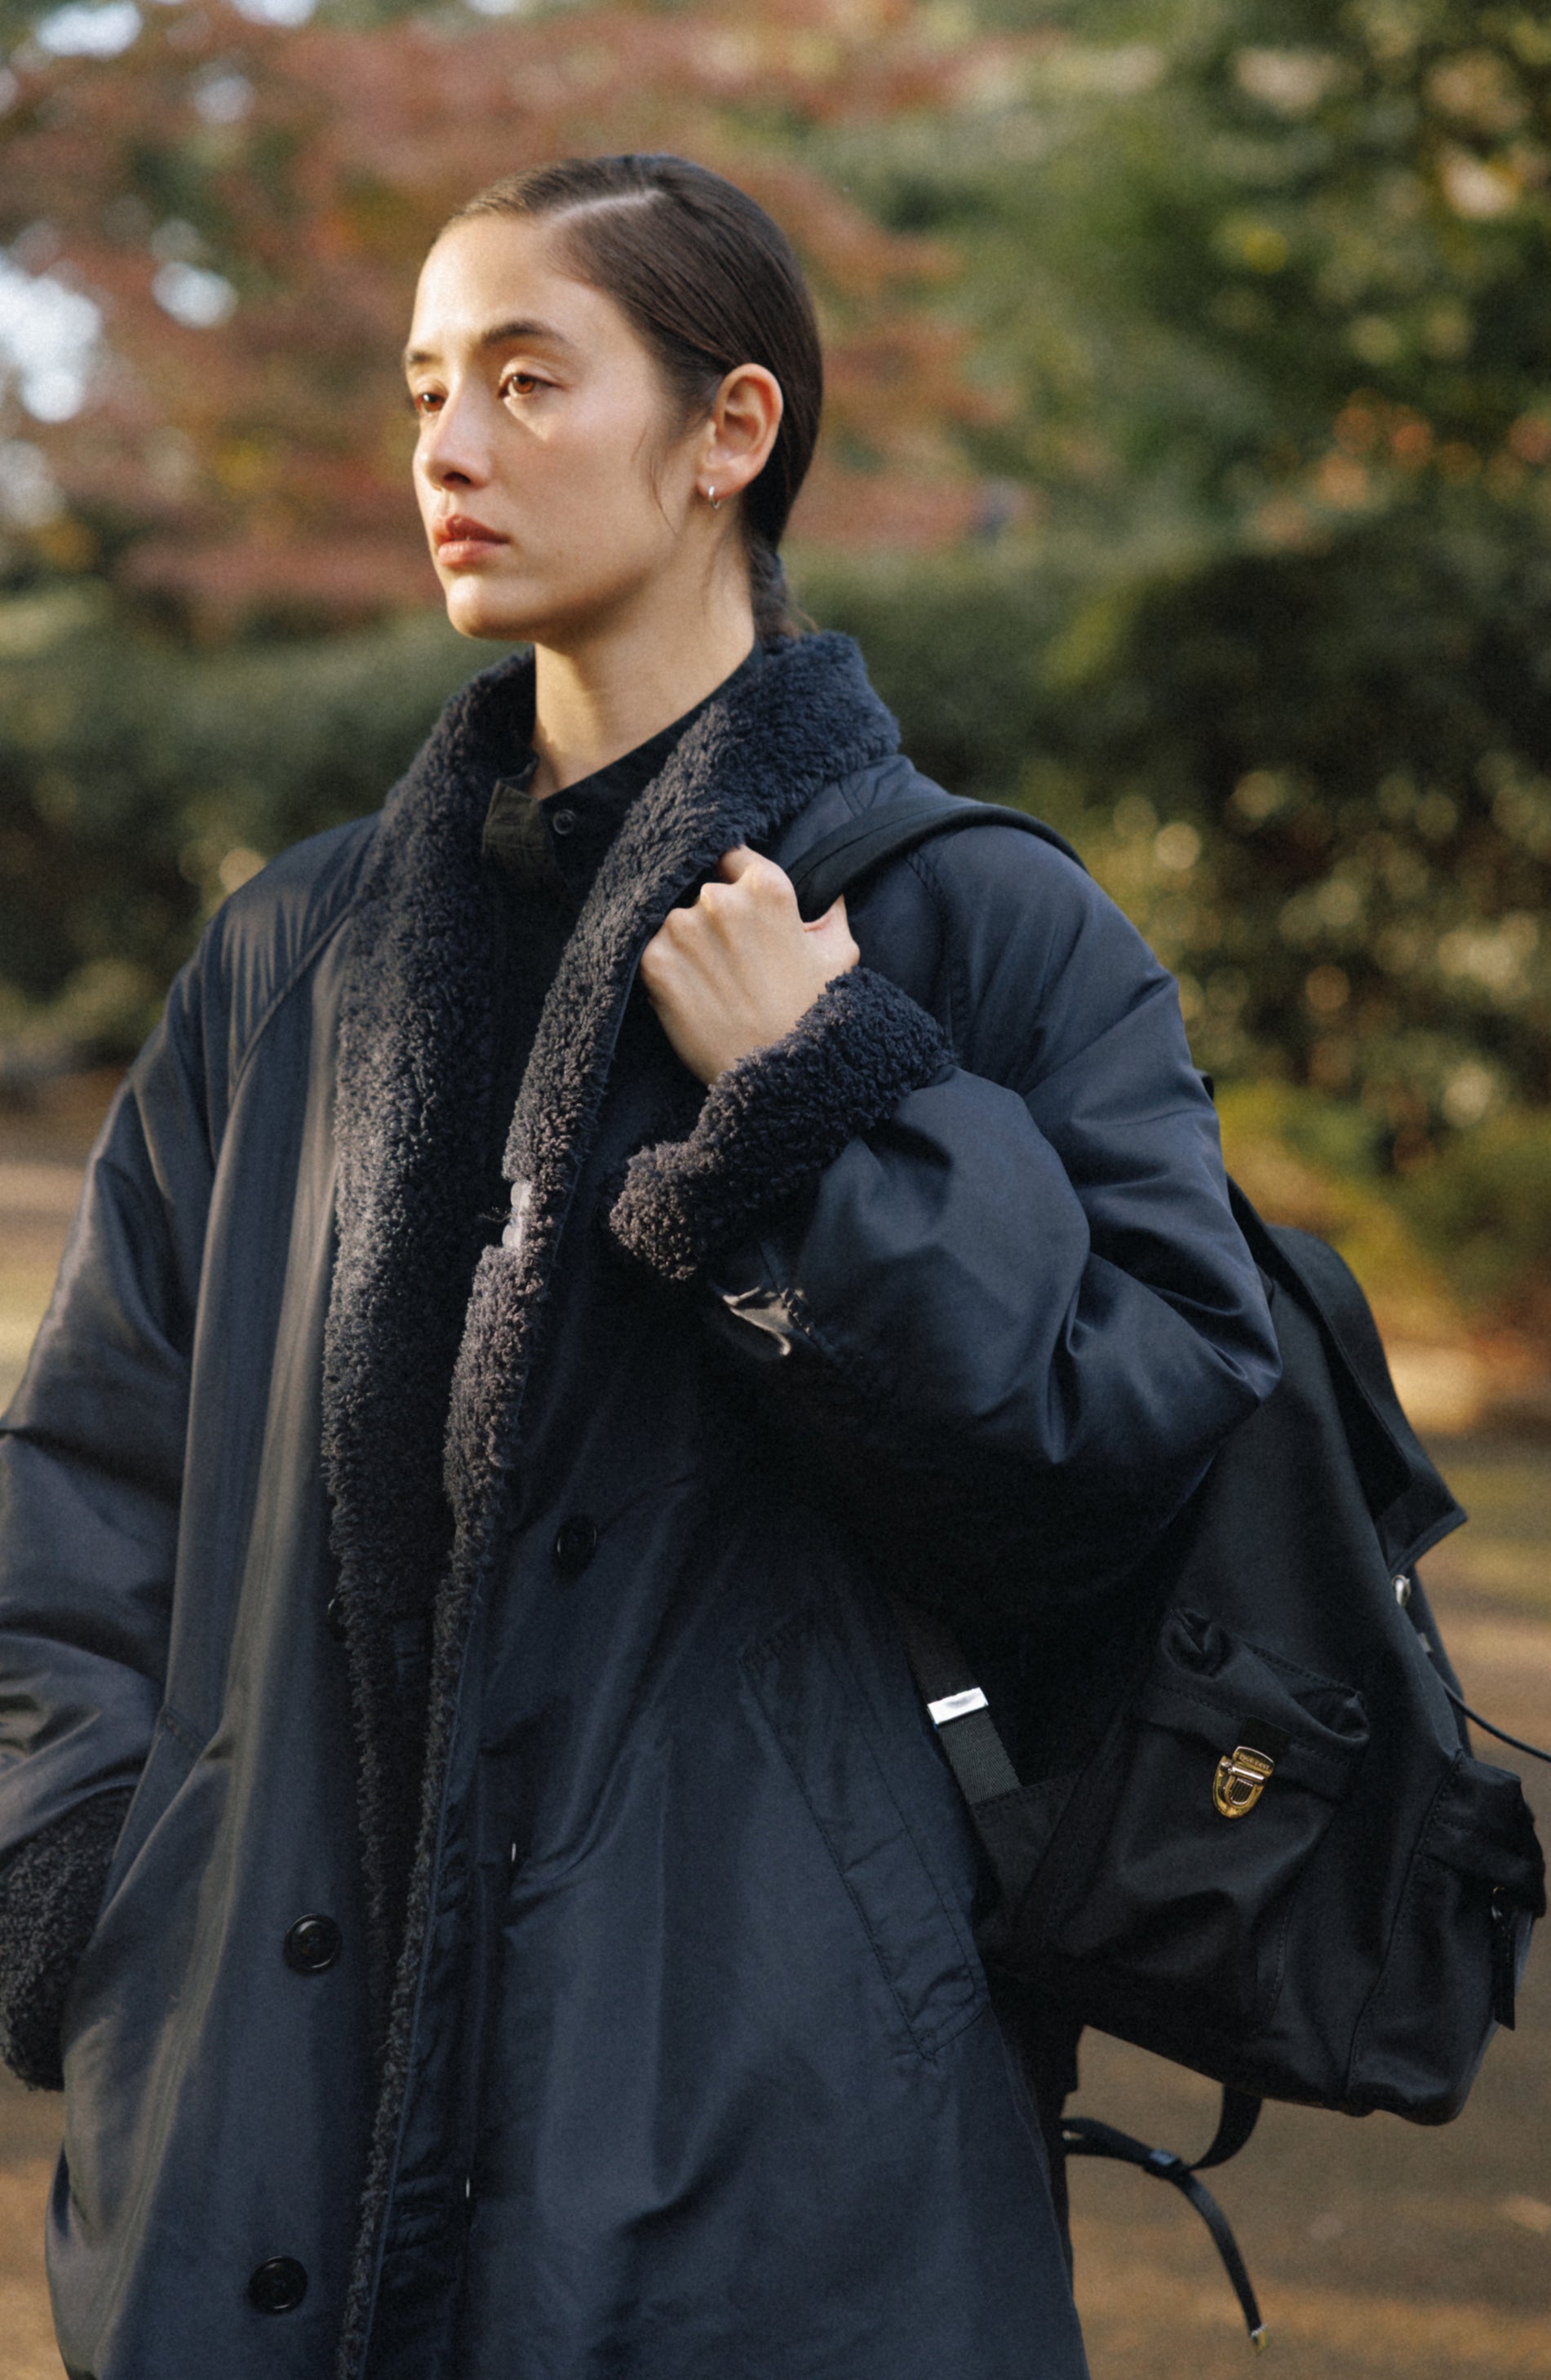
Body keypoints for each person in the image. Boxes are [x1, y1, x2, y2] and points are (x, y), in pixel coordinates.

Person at [0, 154, 1280, 2380]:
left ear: (728, 431)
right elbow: (90, 1485)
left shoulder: (978, 926)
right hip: (259, 2118)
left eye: (526, 379)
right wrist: (94, 1889)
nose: (449, 448)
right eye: (426, 386)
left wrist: (819, 1106)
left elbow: (1127, 1458)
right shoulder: (295, 956)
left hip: (777, 2134)